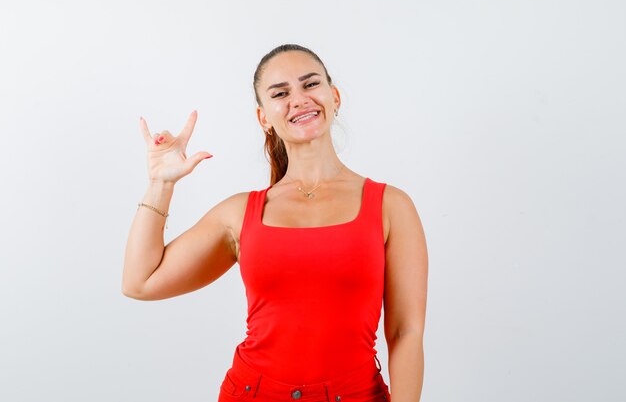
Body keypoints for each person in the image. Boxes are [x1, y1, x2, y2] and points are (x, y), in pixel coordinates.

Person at [122, 44, 428, 402]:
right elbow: (140, 282)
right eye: (280, 93)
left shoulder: (391, 206)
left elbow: (405, 332)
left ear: (334, 96)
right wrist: (161, 183)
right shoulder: (240, 213)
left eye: (310, 84)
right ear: (263, 117)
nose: (298, 99)